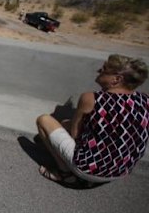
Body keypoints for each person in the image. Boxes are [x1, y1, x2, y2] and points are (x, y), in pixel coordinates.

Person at [36, 54, 148, 186]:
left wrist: (65, 127)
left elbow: (75, 135)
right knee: (66, 123)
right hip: (122, 171)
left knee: (44, 120)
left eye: (105, 69)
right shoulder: (145, 100)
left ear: (116, 79)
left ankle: (64, 174)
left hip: (88, 169)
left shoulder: (91, 98)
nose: (99, 71)